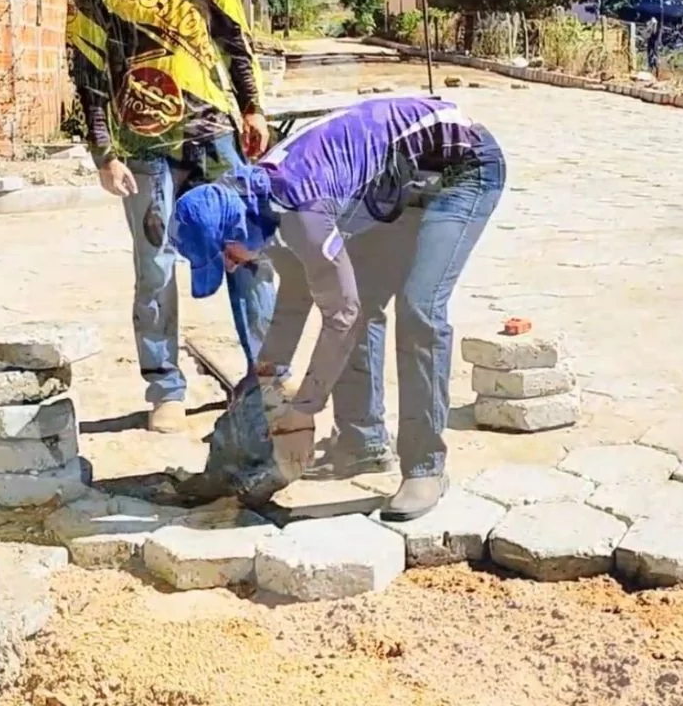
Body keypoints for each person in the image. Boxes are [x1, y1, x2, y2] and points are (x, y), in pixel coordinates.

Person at [169, 94, 507, 520]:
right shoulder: (260, 202)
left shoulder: (299, 205)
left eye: (225, 255)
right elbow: (296, 294)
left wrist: (304, 409)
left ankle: (426, 468)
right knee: (361, 301)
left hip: (463, 168)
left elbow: (338, 315)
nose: (231, 265)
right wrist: (266, 375)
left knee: (419, 309)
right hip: (403, 182)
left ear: (234, 227)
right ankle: (361, 443)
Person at [67, 0, 276, 433]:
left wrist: (252, 105)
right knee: (154, 263)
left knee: (245, 247)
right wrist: (103, 150)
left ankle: (269, 373)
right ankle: (165, 386)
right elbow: (85, 66)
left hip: (213, 128)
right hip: (140, 138)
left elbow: (234, 32)